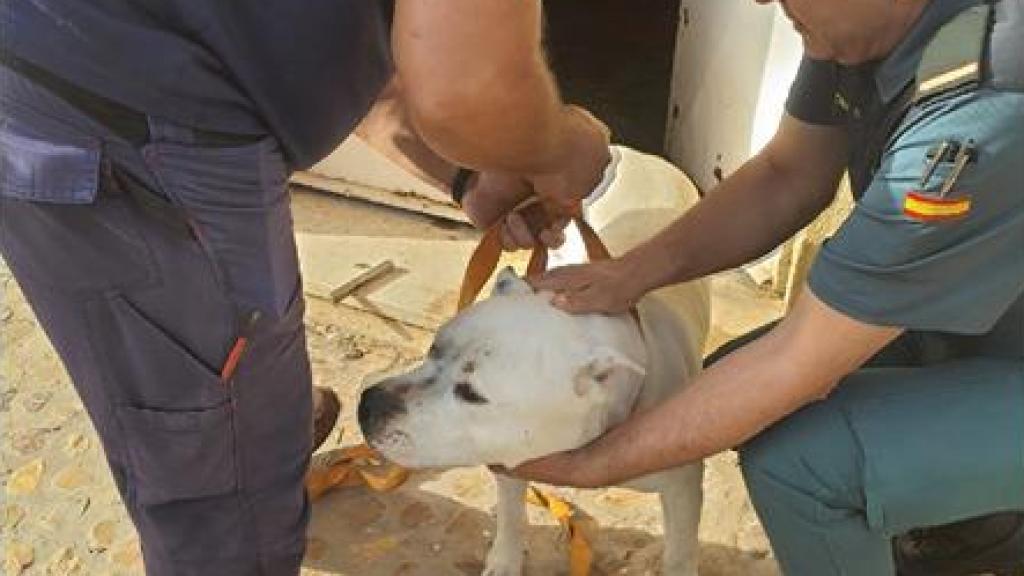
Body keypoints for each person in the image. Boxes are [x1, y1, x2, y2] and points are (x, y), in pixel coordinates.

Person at [0, 1, 607, 574]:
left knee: (178, 371)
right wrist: (559, 147)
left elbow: (334, 37)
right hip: (127, 117)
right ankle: (243, 478)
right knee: (220, 472)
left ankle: (258, 428)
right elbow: (466, 89)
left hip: (56, 71)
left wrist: (468, 175)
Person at [487, 0, 1024, 574]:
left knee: (799, 461)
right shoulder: (860, 28)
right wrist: (628, 274)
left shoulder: (984, 105)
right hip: (983, 320)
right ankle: (976, 524)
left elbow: (798, 361)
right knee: (727, 381)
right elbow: (787, 174)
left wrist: (598, 464)